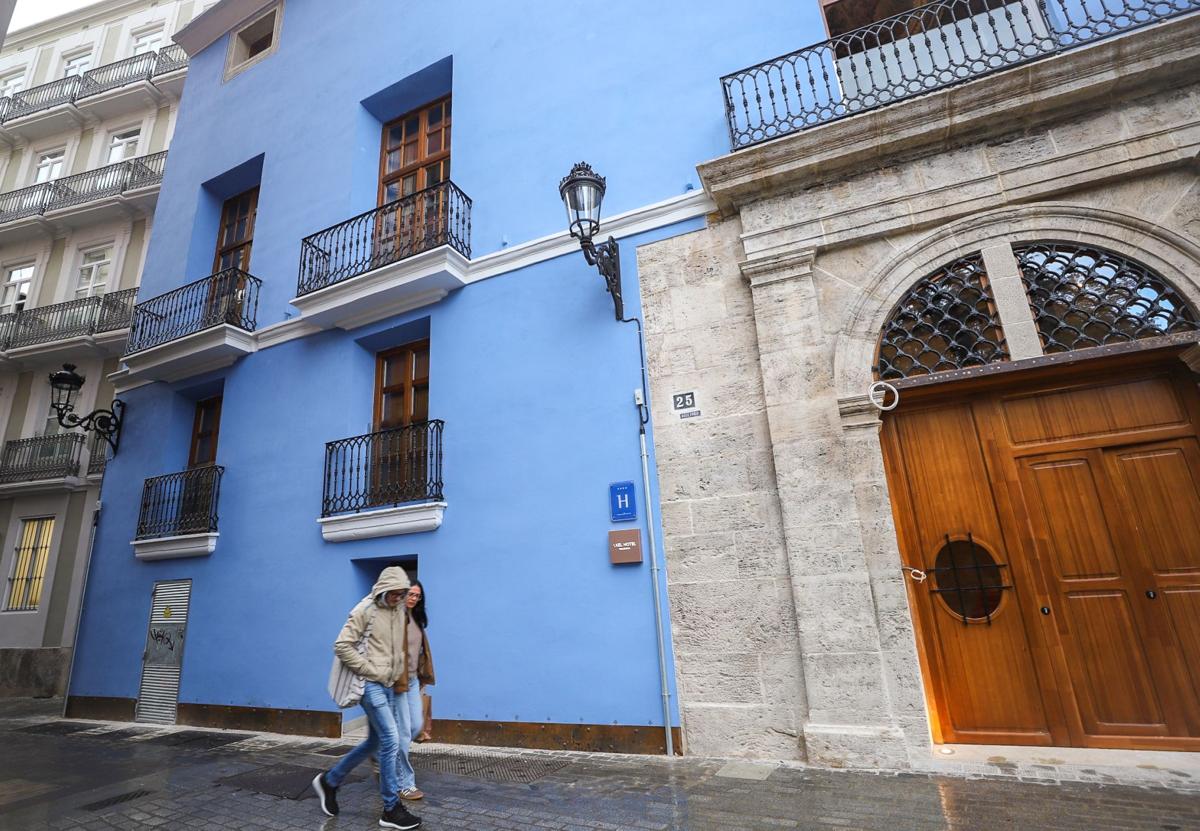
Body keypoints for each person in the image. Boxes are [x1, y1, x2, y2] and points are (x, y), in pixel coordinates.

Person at [312, 566, 421, 830]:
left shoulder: (399, 610)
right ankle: (391, 807)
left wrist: (396, 676)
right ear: (383, 589)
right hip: (369, 684)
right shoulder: (365, 610)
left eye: (401, 594)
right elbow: (341, 645)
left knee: (375, 741)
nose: (397, 599)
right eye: (393, 594)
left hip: (390, 684)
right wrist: (370, 670)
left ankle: (330, 780)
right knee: (391, 739)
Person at [395, 580, 435, 794]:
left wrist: (421, 678)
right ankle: (406, 784)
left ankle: (385, 754)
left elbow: (420, 652)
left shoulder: (417, 619)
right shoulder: (395, 617)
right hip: (396, 682)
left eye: (417, 596)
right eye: (410, 594)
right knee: (403, 733)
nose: (413, 598)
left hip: (412, 681)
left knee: (416, 726)